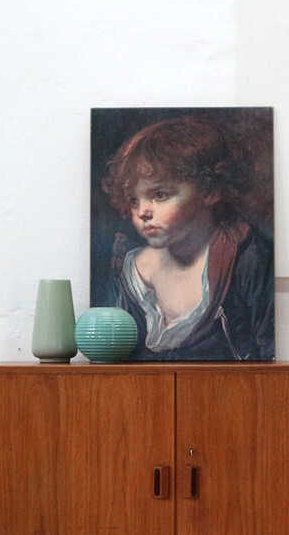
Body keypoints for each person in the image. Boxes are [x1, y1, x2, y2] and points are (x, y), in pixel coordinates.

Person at [101, 115, 274, 360]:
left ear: (210, 190)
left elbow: (268, 358)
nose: (142, 212)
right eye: (133, 200)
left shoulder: (250, 259)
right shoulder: (128, 269)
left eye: (160, 194)